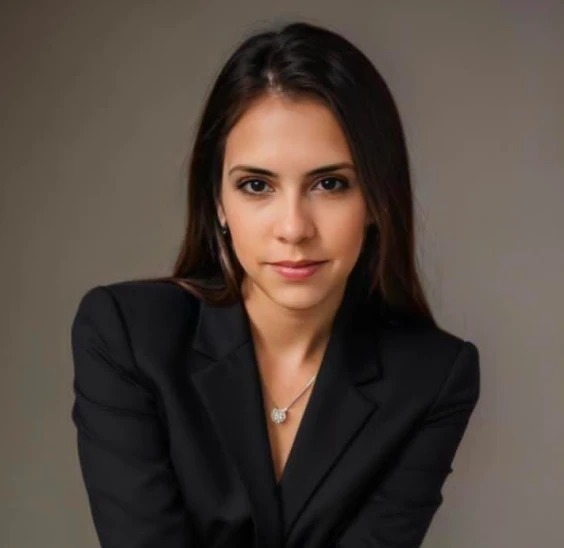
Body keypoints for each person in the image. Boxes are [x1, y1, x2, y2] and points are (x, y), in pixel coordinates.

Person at [70, 20, 480, 548]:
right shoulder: (126, 337)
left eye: (329, 183)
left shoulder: (432, 376)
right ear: (218, 202)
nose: (294, 228)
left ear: (377, 200)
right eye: (256, 185)